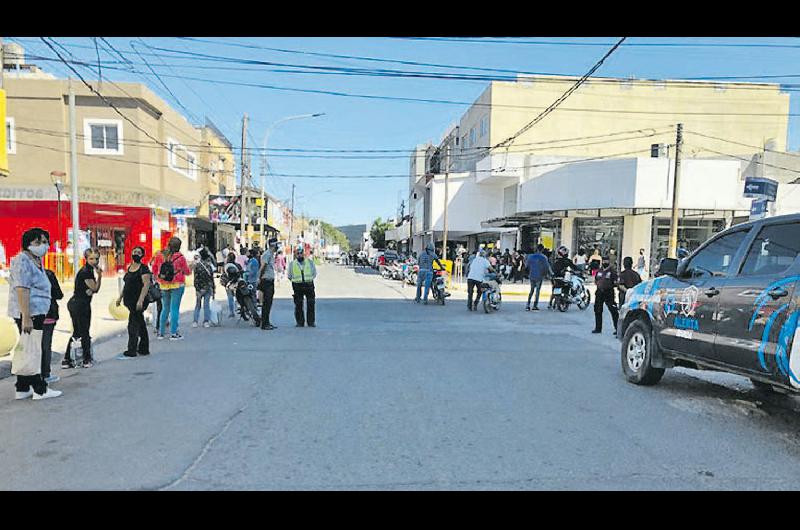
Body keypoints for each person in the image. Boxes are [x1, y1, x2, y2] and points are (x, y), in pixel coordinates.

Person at [8, 228, 62, 400]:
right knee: (33, 350)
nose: (43, 246)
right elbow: (22, 289)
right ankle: (40, 389)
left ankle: (23, 387)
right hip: (29, 312)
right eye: (38, 242)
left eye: (45, 242)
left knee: (28, 348)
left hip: (37, 311)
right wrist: (26, 316)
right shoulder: (22, 260)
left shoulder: (36, 260)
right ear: (27, 244)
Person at [62, 248, 102, 369]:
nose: (94, 261)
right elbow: (95, 288)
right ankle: (86, 359)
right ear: (86, 259)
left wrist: (93, 288)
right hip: (79, 304)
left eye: (96, 259)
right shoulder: (86, 272)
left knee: (77, 332)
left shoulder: (88, 270)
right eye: (91, 259)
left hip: (78, 303)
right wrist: (100, 276)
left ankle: (68, 359)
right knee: (84, 332)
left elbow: (94, 290)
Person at [152, 237, 191, 341]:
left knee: (165, 308)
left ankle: (161, 333)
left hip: (163, 285)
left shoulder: (160, 255)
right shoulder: (180, 257)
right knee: (174, 309)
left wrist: (158, 277)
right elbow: (187, 271)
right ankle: (173, 333)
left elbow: (154, 268)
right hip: (177, 284)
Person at [116, 246, 152, 359]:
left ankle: (132, 349)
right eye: (134, 251)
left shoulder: (144, 268)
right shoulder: (130, 268)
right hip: (129, 300)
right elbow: (126, 285)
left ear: (142, 255)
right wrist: (120, 297)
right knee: (140, 323)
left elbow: (146, 285)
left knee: (132, 325)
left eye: (138, 252)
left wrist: (141, 300)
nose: (136, 254)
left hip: (138, 301)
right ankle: (144, 348)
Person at [42, 268, 63, 383]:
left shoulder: (26, 274)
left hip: (32, 316)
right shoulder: (48, 274)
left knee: (35, 347)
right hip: (48, 314)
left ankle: (35, 373)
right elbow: (59, 294)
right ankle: (45, 374)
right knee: (46, 345)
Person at [288, 245, 317, 327]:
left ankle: (311, 322)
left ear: (303, 254)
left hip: (309, 285)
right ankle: (300, 322)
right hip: (297, 286)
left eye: (301, 253)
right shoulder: (292, 264)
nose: (300, 255)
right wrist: (296, 281)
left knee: (311, 303)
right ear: (296, 255)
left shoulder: (310, 262)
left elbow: (314, 273)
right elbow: (289, 275)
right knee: (298, 304)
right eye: (298, 253)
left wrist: (309, 279)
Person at [592, 256, 619, 335]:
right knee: (598, 310)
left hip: (608, 292)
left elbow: (615, 281)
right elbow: (596, 279)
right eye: (603, 261)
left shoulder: (612, 271)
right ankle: (598, 328)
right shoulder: (599, 271)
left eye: (606, 261)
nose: (605, 262)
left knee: (613, 310)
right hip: (599, 292)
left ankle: (617, 328)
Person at [191, 247, 216, 329]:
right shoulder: (209, 266)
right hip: (208, 287)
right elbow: (211, 278)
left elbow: (196, 278)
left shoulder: (197, 266)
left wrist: (197, 288)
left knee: (197, 305)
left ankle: (195, 321)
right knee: (206, 305)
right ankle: (206, 321)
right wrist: (213, 289)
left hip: (199, 288)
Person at [258, 238, 278, 330]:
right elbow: (263, 267)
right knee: (266, 303)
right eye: (276, 244)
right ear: (272, 245)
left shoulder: (271, 254)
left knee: (269, 303)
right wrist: (260, 277)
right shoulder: (267, 254)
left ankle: (267, 322)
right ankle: (264, 324)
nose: (278, 246)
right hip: (266, 281)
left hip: (269, 280)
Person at [526, 244, 552, 311]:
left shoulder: (530, 257)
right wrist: (547, 274)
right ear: (542, 250)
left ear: (536, 249)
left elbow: (527, 266)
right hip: (539, 276)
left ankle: (528, 305)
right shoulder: (544, 257)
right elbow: (547, 267)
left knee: (531, 290)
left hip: (532, 275)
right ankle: (535, 305)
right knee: (537, 291)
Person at [221, 253, 243, 318]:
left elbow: (223, 275)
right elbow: (241, 272)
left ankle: (231, 312)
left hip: (228, 284)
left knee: (230, 298)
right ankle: (240, 308)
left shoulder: (225, 266)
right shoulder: (238, 265)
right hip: (237, 283)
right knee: (238, 296)